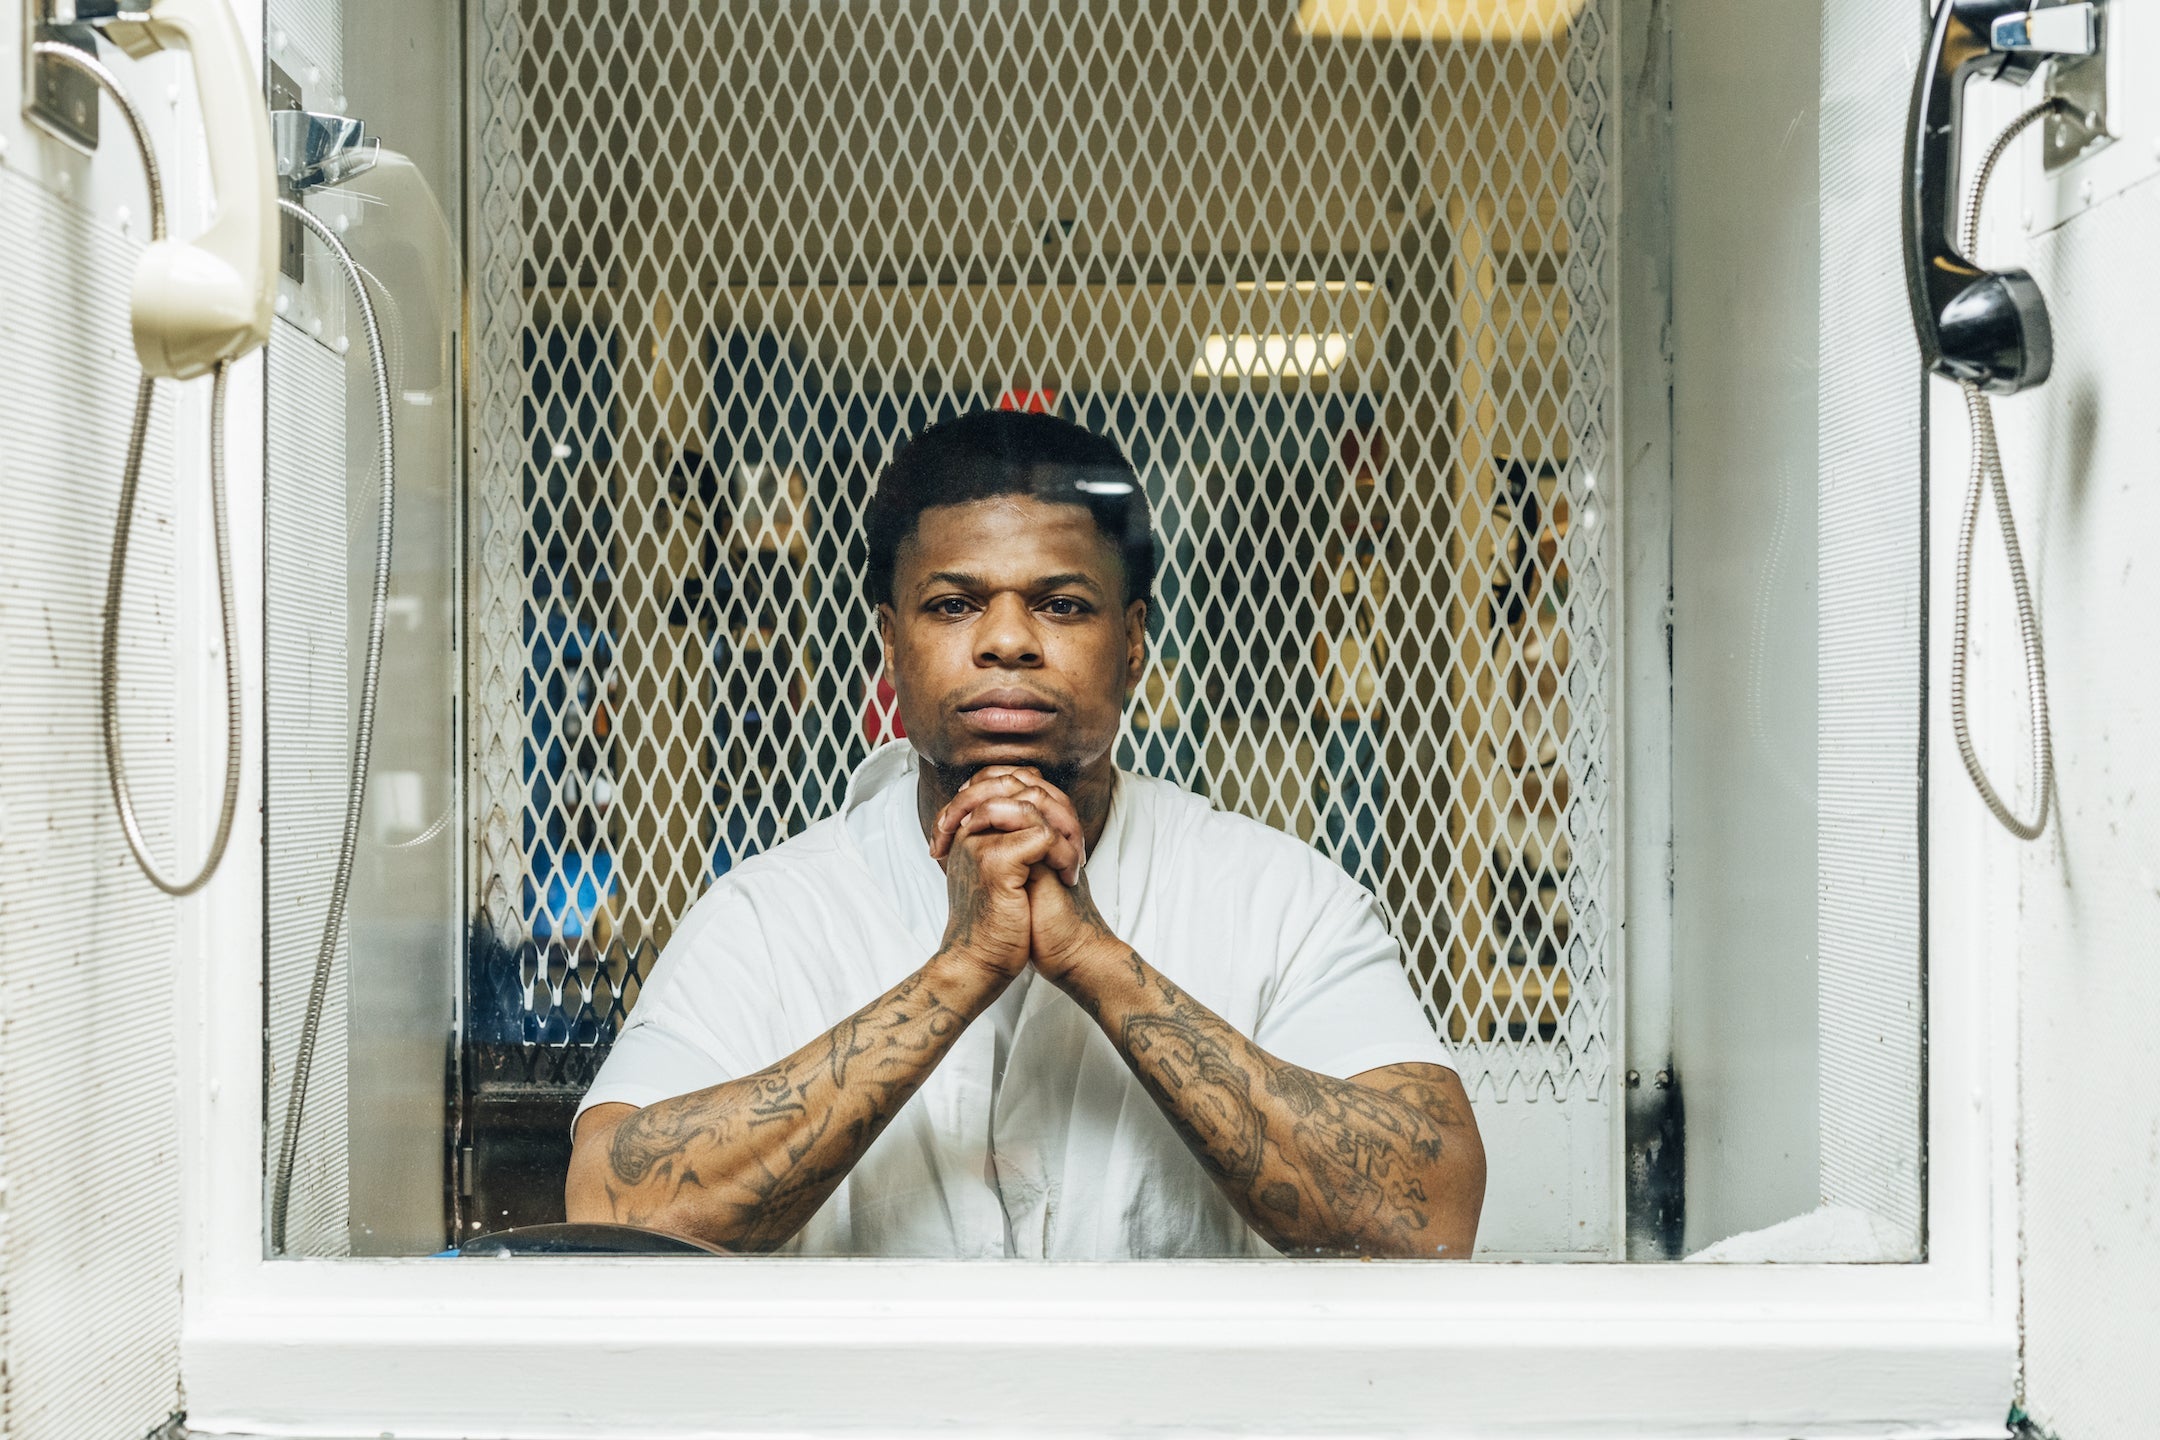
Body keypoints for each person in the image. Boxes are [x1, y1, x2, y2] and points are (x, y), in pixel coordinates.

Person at [564, 409, 1485, 1259]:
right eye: (955, 605)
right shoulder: (769, 917)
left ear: (1132, 643)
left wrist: (1093, 957)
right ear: (890, 643)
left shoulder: (1280, 898)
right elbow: (611, 1213)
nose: (1008, 641)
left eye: (1063, 605)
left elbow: (1432, 1213)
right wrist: (959, 971)